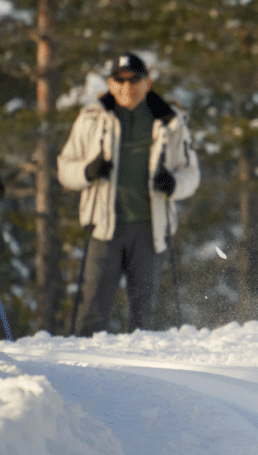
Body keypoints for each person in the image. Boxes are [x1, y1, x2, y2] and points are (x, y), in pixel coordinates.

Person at [58, 53, 200, 336]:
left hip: (151, 230)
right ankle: (84, 369)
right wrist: (88, 171)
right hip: (104, 227)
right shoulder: (91, 120)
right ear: (110, 84)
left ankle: (140, 374)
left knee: (144, 315)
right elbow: (64, 168)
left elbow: (191, 174)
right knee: (92, 311)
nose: (127, 87)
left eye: (134, 79)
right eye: (119, 80)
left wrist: (173, 184)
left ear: (147, 83)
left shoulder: (170, 122)